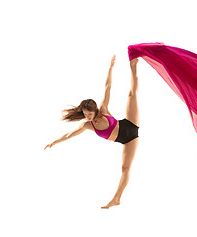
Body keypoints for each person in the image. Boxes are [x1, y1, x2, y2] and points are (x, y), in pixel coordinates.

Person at [45, 55, 140, 209]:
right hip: (128, 140)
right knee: (125, 168)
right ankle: (116, 199)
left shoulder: (103, 110)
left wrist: (111, 67)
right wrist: (54, 142)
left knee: (132, 94)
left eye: (89, 114)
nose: (87, 117)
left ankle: (133, 63)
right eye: (84, 114)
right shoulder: (88, 126)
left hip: (130, 124)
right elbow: (70, 135)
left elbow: (108, 86)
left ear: (94, 110)